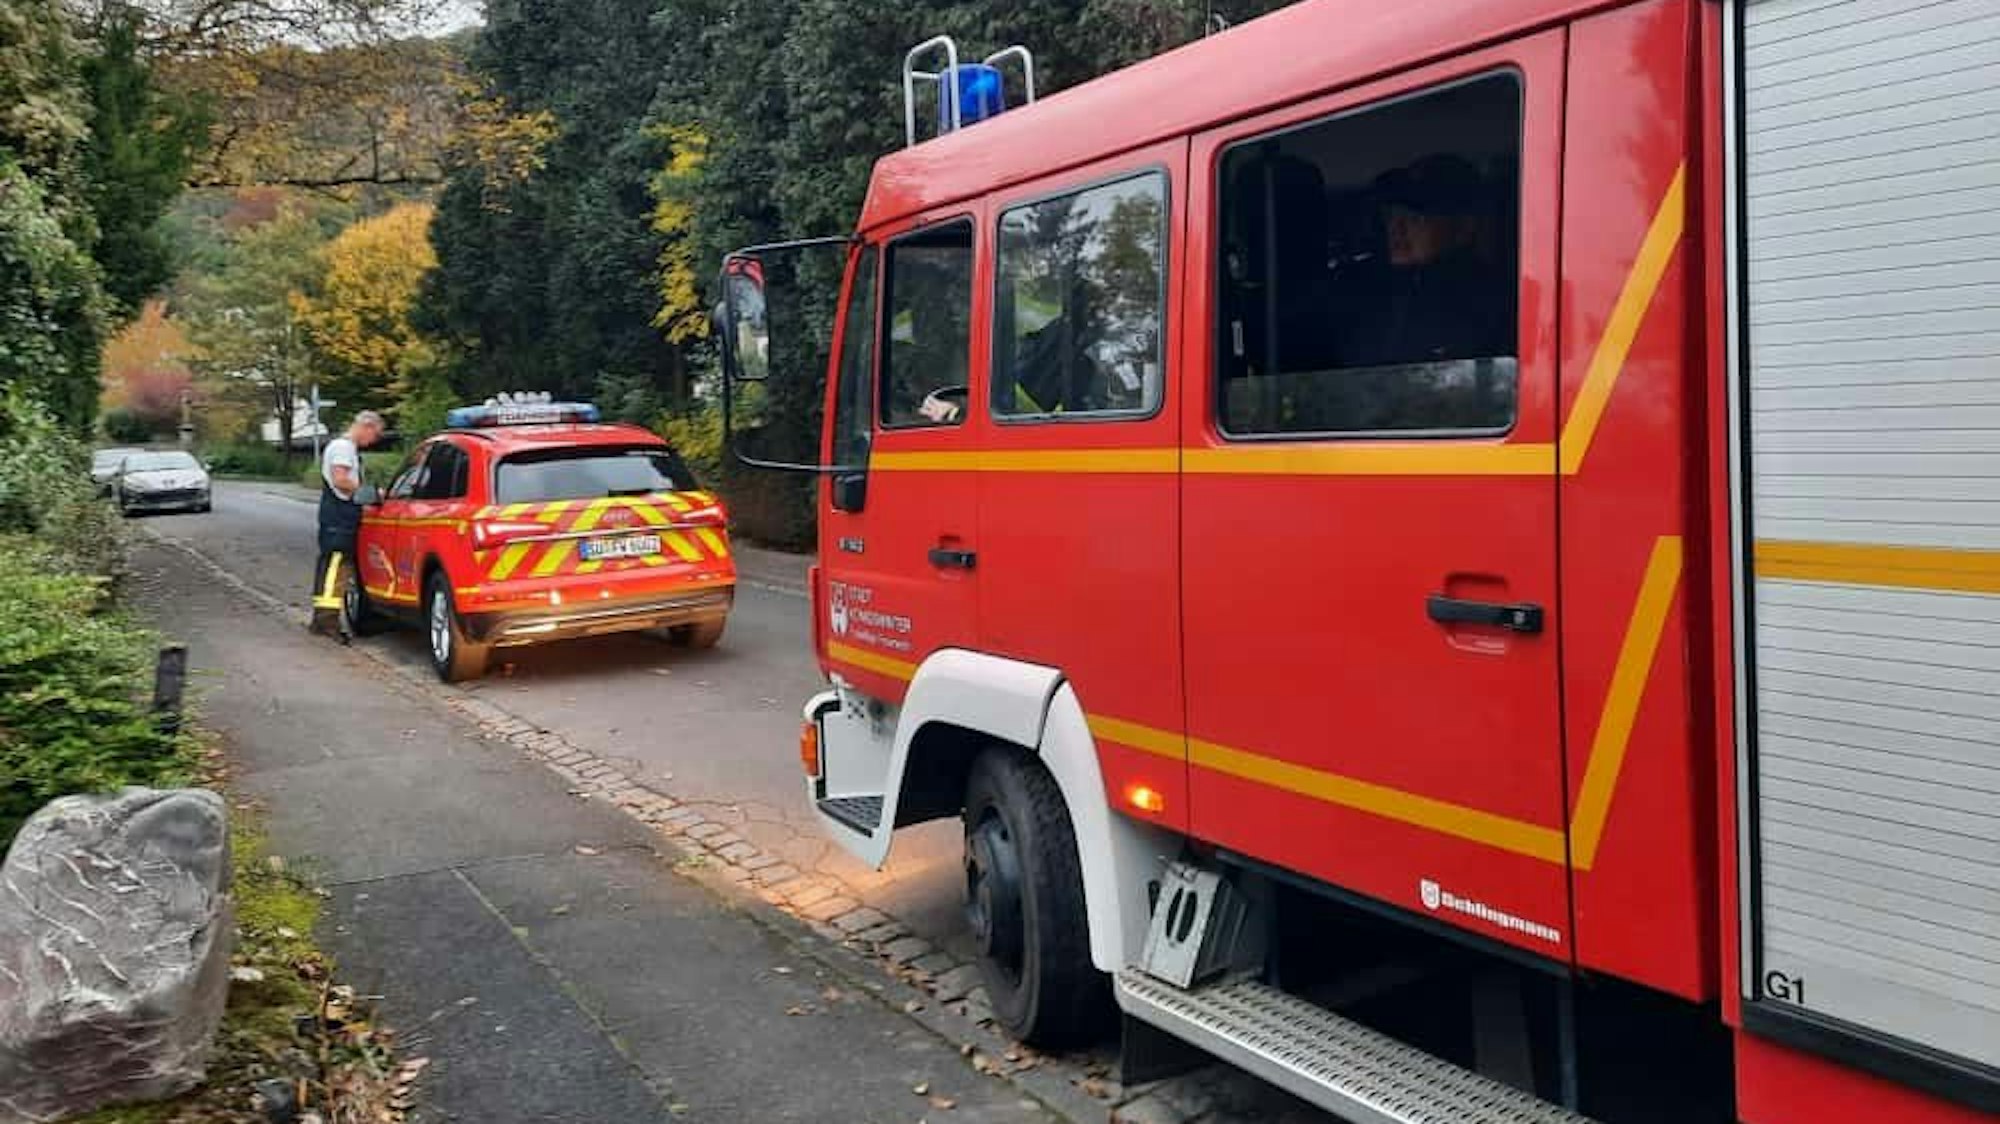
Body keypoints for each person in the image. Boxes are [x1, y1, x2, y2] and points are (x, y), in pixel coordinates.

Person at [310, 410, 384, 639]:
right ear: (367, 427)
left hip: (338, 517)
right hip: (339, 519)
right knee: (335, 568)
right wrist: (370, 494)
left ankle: (322, 619)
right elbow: (341, 479)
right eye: (375, 435)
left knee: (334, 567)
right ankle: (326, 622)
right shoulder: (343, 448)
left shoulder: (343, 447)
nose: (373, 441)